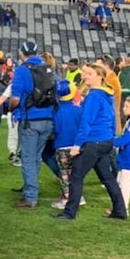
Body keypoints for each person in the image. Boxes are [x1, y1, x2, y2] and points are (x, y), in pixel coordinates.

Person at [54, 63, 127, 221]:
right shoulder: (107, 94)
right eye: (85, 73)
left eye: (89, 73)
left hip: (93, 142)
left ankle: (69, 212)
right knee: (107, 178)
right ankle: (120, 210)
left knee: (76, 176)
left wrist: (77, 145)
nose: (85, 76)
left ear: (99, 77)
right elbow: (111, 117)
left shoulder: (94, 96)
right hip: (105, 141)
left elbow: (86, 122)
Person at [10, 41, 54, 209]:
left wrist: (10, 107)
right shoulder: (47, 68)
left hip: (30, 120)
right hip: (48, 119)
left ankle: (30, 197)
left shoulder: (22, 70)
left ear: (21, 53)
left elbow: (15, 98)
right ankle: (30, 188)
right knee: (35, 157)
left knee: (27, 159)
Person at [51, 80, 81, 210]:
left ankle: (66, 199)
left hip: (61, 145)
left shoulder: (56, 111)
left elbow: (54, 129)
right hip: (76, 146)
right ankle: (78, 196)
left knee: (64, 174)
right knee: (75, 173)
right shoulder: (78, 109)